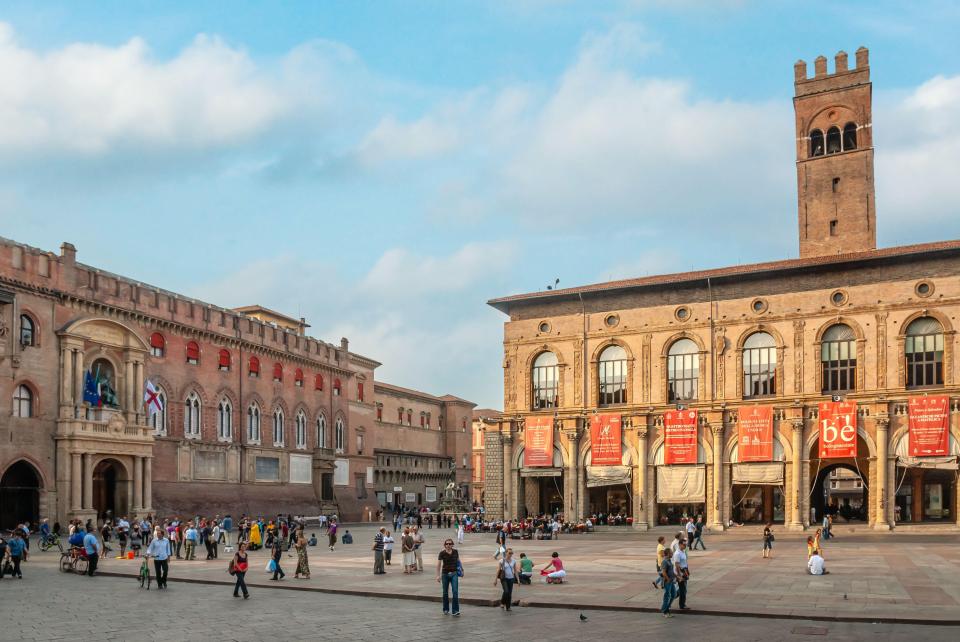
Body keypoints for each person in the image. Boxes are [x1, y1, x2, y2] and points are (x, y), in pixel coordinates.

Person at [436, 538, 461, 616]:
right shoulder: (442, 553)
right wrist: (438, 575)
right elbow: (439, 564)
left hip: (454, 573)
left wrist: (462, 570)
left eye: (450, 544)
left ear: (452, 545)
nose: (448, 545)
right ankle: (446, 609)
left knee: (455, 592)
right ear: (444, 545)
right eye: (447, 544)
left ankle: (455, 610)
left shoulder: (456, 552)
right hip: (445, 574)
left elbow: (458, 561)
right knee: (445, 593)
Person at [660, 543, 677, 618]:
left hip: (671, 580)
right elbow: (663, 572)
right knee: (667, 596)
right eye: (671, 553)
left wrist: (677, 577)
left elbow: (671, 571)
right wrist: (668, 579)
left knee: (674, 594)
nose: (672, 554)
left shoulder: (669, 560)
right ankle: (665, 611)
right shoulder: (664, 561)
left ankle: (666, 607)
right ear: (668, 554)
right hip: (667, 581)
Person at [672, 540, 690, 610]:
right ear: (679, 544)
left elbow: (684, 562)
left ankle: (671, 598)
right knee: (683, 590)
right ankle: (682, 605)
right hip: (680, 573)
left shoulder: (683, 551)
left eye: (686, 544)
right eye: (684, 544)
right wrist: (679, 576)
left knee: (682, 590)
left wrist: (687, 571)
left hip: (684, 572)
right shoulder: (677, 553)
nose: (685, 546)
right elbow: (677, 565)